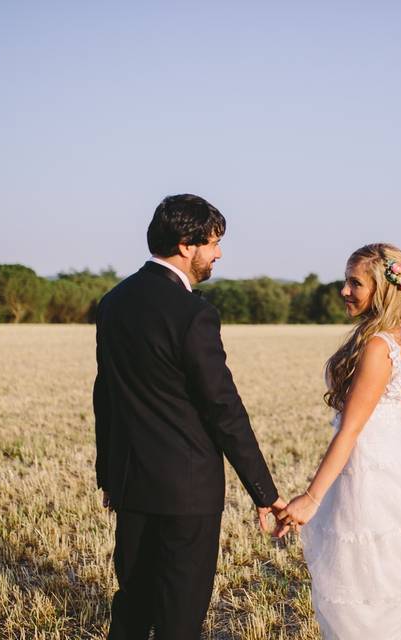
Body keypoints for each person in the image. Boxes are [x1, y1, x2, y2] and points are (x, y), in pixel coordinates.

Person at [93, 194, 286, 639]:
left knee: (133, 605)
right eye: (214, 242)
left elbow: (106, 394)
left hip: (132, 484)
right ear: (186, 244)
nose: (218, 253)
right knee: (180, 615)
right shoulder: (193, 313)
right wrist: (263, 491)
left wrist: (109, 473)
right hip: (187, 493)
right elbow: (222, 408)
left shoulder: (113, 302)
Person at [277, 243, 401, 638]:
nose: (344, 290)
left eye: (355, 283)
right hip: (399, 468)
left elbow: (352, 429)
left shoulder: (377, 345)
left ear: (383, 289)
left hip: (368, 480)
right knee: (391, 589)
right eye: (345, 281)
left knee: (361, 591)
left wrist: (312, 497)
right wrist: (389, 428)